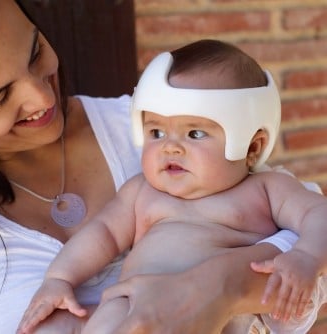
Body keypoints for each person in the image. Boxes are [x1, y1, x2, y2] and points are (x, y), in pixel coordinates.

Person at [0, 1, 325, 333]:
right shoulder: (150, 173)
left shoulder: (174, 128)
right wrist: (58, 279)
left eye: (35, 52)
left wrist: (227, 284)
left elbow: (314, 236)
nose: (41, 98)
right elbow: (105, 234)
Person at [17, 40, 327, 334]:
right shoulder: (142, 192)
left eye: (194, 134)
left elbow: (319, 213)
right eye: (156, 132)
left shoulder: (267, 188)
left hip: (220, 317)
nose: (170, 148)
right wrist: (59, 278)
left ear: (252, 147)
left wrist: (307, 256)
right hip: (131, 306)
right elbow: (103, 234)